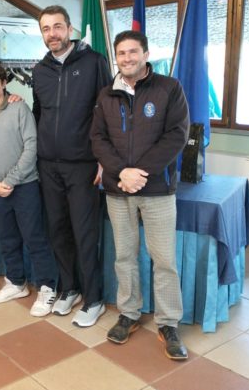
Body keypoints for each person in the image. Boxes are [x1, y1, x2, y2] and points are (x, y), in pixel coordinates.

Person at [90, 30, 190, 360]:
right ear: (115, 57)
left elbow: (176, 135)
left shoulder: (169, 88)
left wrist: (139, 173)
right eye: (121, 53)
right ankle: (129, 313)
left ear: (146, 54)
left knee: (164, 259)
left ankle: (168, 323)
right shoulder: (106, 94)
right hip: (118, 189)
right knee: (124, 256)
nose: (127, 58)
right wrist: (122, 173)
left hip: (157, 189)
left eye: (133, 51)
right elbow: (98, 139)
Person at [32, 5, 112, 327]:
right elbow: (39, 113)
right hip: (48, 165)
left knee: (84, 233)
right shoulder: (40, 70)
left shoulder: (94, 62)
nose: (52, 33)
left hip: (83, 165)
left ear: (69, 29)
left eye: (57, 27)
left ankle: (94, 299)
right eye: (46, 28)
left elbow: (107, 112)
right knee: (58, 231)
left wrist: (104, 160)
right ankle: (70, 288)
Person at [0, 61, 58, 316]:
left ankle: (47, 287)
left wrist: (10, 180)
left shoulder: (20, 108)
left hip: (24, 186)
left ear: (3, 82)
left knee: (34, 238)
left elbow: (31, 147)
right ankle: (16, 282)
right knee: (7, 238)